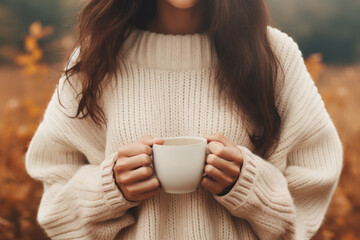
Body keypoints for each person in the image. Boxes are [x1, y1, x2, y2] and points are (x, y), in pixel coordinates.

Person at [25, 0, 343, 239]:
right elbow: (55, 205)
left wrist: (251, 185)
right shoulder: (97, 57)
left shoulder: (272, 54)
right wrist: (109, 190)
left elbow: (312, 184)